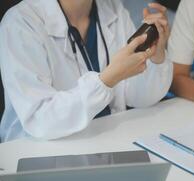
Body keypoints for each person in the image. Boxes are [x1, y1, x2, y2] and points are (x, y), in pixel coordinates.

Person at [0, 0, 173, 142]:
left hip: (106, 140)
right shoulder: (21, 23)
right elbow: (40, 119)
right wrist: (107, 80)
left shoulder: (114, 9)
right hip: (39, 150)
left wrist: (156, 58)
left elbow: (138, 96)